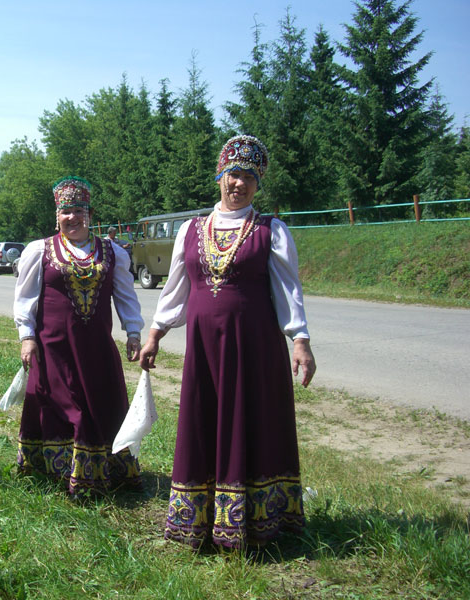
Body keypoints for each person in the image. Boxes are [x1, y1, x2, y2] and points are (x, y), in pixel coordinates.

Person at [139, 135, 316, 550]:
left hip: (255, 348)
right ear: (220, 176)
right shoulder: (191, 230)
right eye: (233, 174)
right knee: (204, 422)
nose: (239, 184)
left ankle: (258, 521)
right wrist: (155, 334)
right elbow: (175, 290)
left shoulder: (270, 231)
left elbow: (289, 291)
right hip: (205, 350)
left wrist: (300, 340)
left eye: (249, 177)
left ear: (258, 185)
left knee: (254, 423)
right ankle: (200, 521)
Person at [14, 176, 144, 497]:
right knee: (61, 403)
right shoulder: (40, 251)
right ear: (57, 215)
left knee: (99, 403)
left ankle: (101, 468)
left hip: (96, 349)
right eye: (65, 211)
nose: (72, 217)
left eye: (78, 210)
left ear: (90, 214)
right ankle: (58, 470)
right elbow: (26, 297)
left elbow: (125, 296)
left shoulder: (112, 253)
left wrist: (133, 331)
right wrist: (27, 336)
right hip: (53, 347)